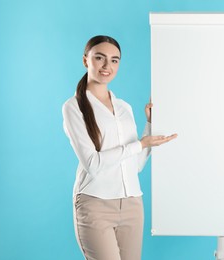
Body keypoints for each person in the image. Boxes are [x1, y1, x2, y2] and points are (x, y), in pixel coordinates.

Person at [62, 35, 177, 260]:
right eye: (100, 58)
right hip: (95, 204)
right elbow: (93, 165)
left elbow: (135, 165)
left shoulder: (124, 108)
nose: (107, 66)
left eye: (115, 60)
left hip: (133, 204)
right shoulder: (73, 107)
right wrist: (140, 144)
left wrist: (150, 125)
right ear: (86, 60)